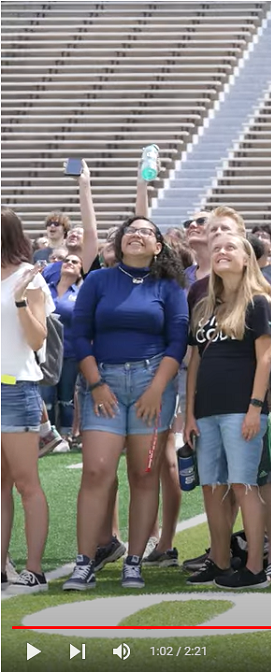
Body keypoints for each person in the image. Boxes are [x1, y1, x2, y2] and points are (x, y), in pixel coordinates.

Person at [63, 216, 188, 591]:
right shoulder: (99, 279)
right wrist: (96, 384)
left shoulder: (169, 286)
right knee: (97, 471)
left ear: (158, 246)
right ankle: (84, 561)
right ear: (119, 242)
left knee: (145, 474)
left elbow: (177, 338)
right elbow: (80, 334)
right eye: (129, 230)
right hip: (105, 386)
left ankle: (133, 562)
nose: (136, 234)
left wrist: (157, 387)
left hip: (155, 386)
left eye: (146, 231)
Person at [183, 234, 271, 589]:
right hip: (206, 412)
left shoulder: (258, 302)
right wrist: (189, 413)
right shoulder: (206, 307)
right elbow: (194, 363)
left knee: (243, 485)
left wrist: (255, 407)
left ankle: (254, 567)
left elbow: (266, 357)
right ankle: (220, 561)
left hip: (242, 409)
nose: (221, 252)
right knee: (211, 488)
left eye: (230, 248)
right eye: (217, 248)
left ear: (246, 259)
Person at [1, 209, 55, 594]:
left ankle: (35, 571)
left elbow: (38, 341)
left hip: (16, 386)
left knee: (25, 483)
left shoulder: (28, 277)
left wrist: (20, 302)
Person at [41, 253, 83, 445]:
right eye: (66, 260)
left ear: (80, 270)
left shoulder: (80, 294)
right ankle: (47, 434)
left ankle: (66, 435)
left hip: (69, 351)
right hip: (45, 352)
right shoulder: (45, 288)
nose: (69, 263)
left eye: (75, 262)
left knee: (66, 397)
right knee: (46, 396)